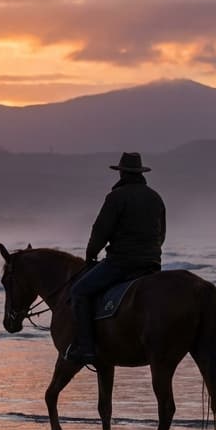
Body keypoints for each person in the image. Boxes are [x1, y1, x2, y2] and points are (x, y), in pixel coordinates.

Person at [64, 151, 166, 364]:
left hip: (121, 263)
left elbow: (101, 230)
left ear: (122, 173)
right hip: (151, 264)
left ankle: (85, 348)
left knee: (79, 292)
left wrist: (90, 255)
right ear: (139, 173)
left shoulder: (116, 197)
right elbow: (161, 234)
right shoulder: (155, 197)